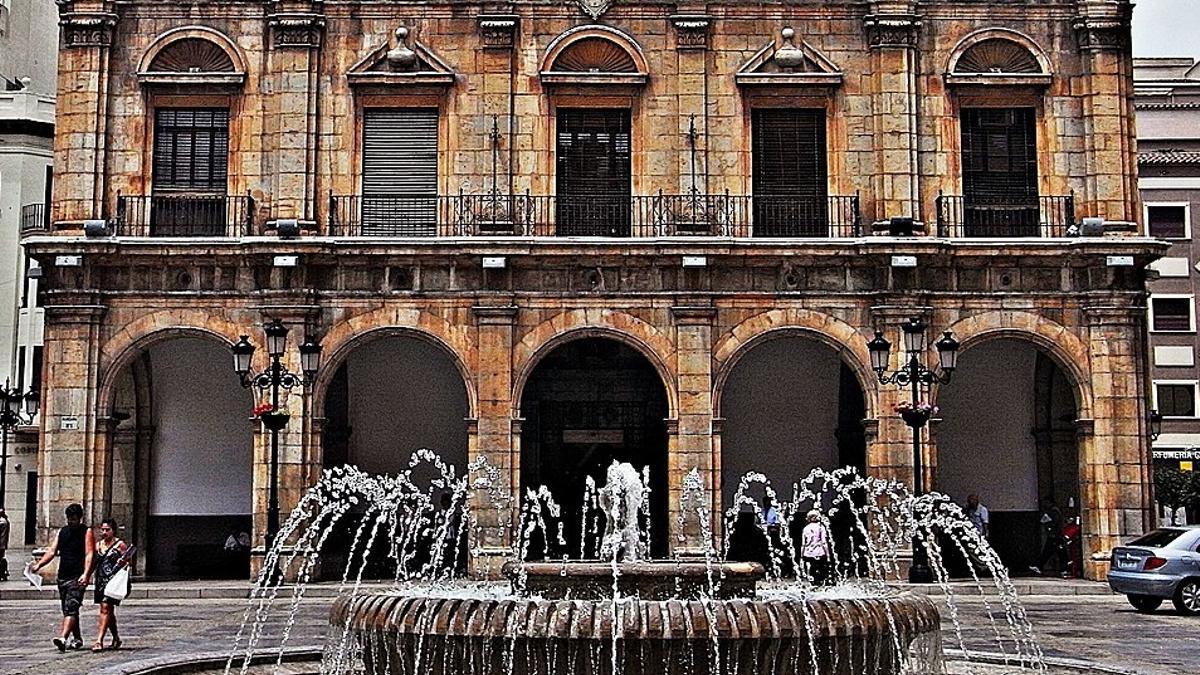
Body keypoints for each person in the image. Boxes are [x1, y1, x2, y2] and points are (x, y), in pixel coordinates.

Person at [30, 503, 94, 651]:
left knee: (71, 607)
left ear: (80, 518)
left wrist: (86, 574)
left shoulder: (86, 532)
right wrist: (39, 565)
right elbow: (52, 551)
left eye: (74, 519)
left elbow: (89, 553)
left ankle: (63, 638)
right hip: (63, 576)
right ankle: (77, 638)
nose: (71, 521)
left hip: (77, 576)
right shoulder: (63, 532)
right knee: (69, 609)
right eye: (69, 518)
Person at [92, 518, 132, 651]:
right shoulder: (98, 545)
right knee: (108, 611)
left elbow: (129, 561)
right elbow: (93, 562)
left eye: (107, 530)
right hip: (101, 580)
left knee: (105, 608)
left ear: (113, 530)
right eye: (102, 530)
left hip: (113, 580)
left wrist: (123, 562)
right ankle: (116, 637)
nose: (104, 532)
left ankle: (99, 640)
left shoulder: (120, 545)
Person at [1029, 497, 1065, 576]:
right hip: (1055, 535)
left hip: (1055, 535)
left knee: (1056, 552)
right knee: (1052, 552)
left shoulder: (1054, 511)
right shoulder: (1053, 511)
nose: (1044, 504)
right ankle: (1039, 566)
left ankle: (1064, 569)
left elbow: (1053, 522)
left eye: (1045, 502)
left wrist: (1048, 525)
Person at [800, 509, 831, 585]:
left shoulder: (805, 528)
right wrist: (828, 554)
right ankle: (821, 583)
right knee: (821, 569)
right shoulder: (821, 527)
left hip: (808, 553)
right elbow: (824, 542)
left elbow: (803, 543)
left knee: (811, 569)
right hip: (819, 552)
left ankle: (812, 583)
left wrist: (801, 555)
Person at [0, 507, 10, 581]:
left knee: (1, 558)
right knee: (2, 557)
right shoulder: (5, 520)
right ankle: (3, 572)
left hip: (1, 543)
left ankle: (3, 572)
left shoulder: (2, 522)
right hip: (2, 544)